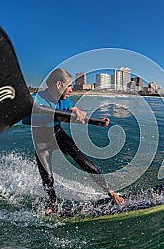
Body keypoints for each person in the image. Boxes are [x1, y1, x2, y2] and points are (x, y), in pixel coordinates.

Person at [23, 68, 124, 214]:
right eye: (68, 86)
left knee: (86, 164)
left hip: (58, 134)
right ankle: (53, 203)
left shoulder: (65, 99)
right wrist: (61, 117)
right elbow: (26, 120)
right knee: (47, 177)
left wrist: (96, 122)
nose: (70, 90)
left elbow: (70, 111)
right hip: (41, 140)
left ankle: (110, 192)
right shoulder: (36, 98)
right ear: (59, 85)